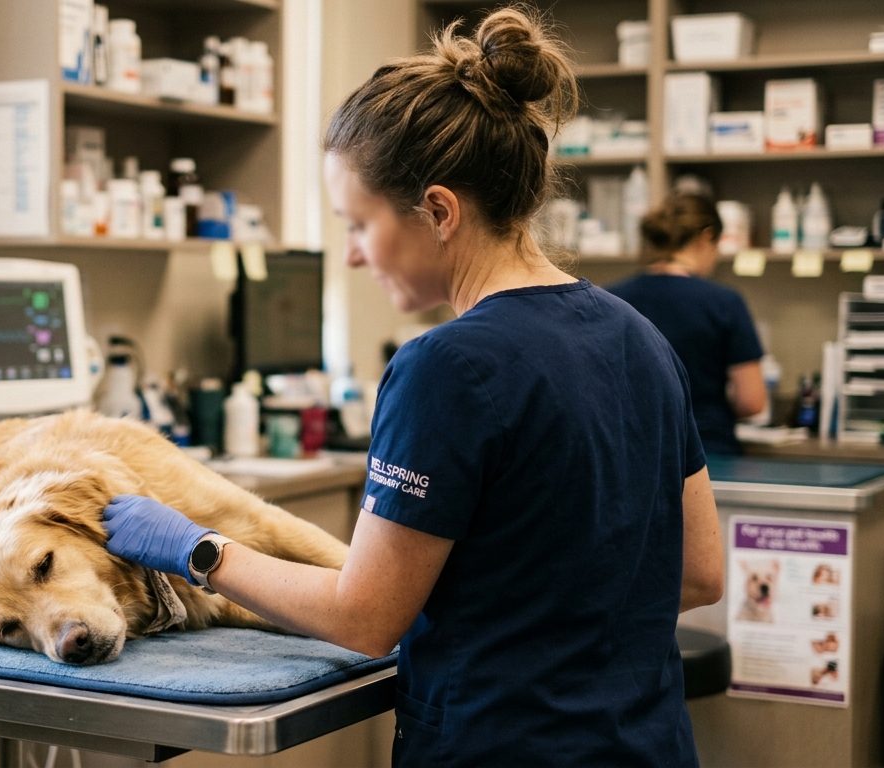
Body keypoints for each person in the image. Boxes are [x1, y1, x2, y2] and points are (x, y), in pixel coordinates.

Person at [102, 8, 724, 766]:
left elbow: (365, 619)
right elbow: (699, 574)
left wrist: (195, 548)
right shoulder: (640, 337)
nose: (353, 257)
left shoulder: (447, 367)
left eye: (357, 225)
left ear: (437, 210)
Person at [607, 194, 768, 455]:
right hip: (706, 449)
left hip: (634, 452)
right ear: (707, 237)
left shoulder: (613, 299)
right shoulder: (723, 303)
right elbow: (752, 401)